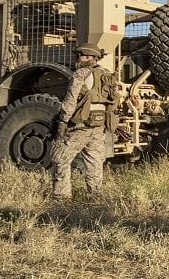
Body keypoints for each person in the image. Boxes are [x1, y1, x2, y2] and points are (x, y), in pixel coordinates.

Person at [51, 45, 119, 200]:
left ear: (88, 57)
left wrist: (62, 121)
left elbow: (70, 100)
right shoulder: (106, 74)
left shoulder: (81, 73)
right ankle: (95, 197)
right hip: (98, 125)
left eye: (79, 56)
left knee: (60, 158)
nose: (77, 59)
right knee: (94, 162)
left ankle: (61, 198)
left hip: (80, 126)